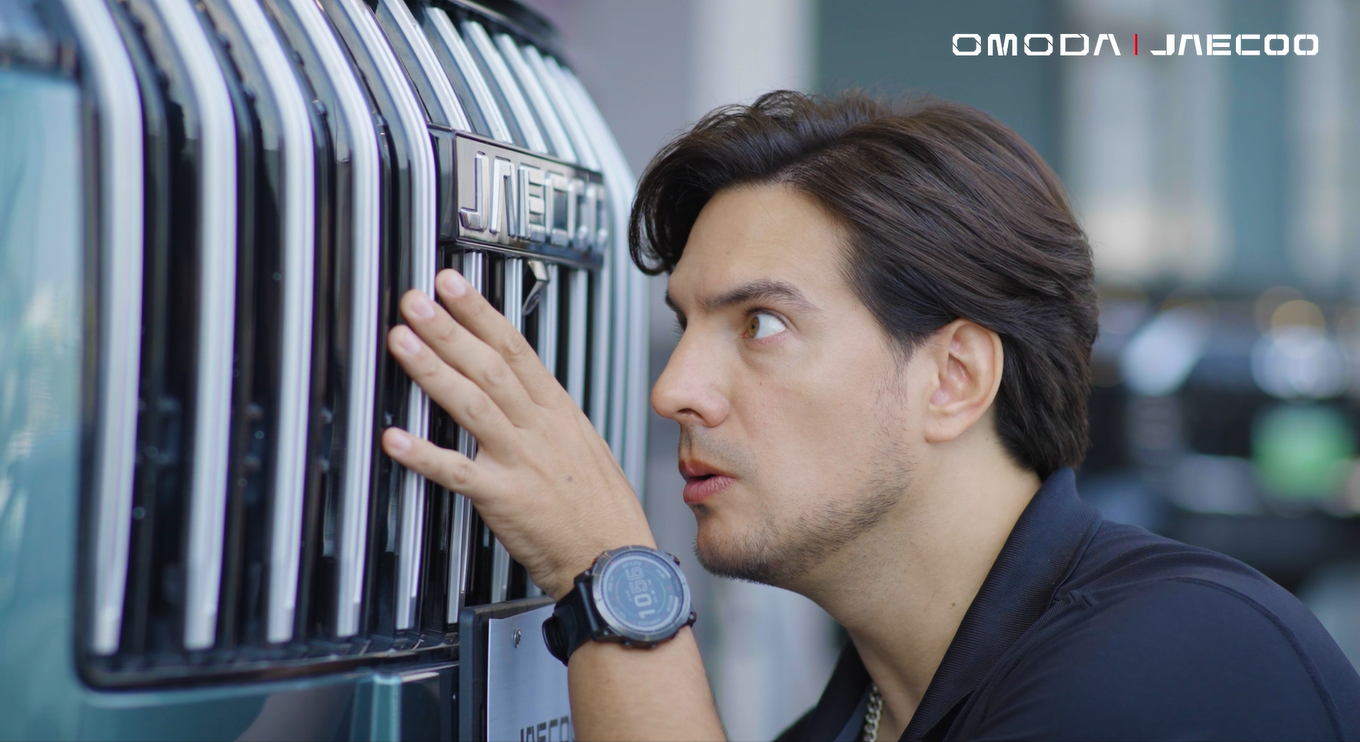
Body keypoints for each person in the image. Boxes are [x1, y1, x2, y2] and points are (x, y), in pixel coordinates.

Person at [378, 91, 1360, 741]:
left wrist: (614, 585)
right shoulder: (853, 718)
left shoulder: (1182, 660)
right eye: (685, 325)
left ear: (954, 378)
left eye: (760, 323)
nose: (673, 388)